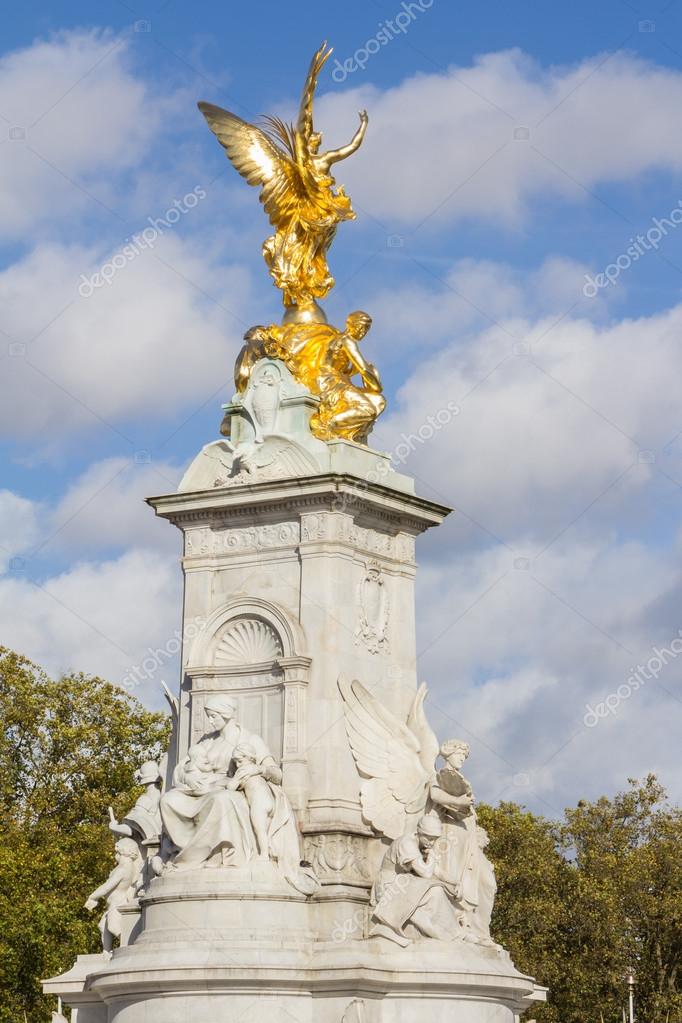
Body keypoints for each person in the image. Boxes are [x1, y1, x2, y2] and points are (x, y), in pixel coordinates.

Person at [159, 694, 279, 869]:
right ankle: (183, 856)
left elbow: (277, 774)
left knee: (221, 799)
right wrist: (189, 776)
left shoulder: (249, 739)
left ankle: (216, 856)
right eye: (209, 716)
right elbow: (182, 768)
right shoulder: (207, 741)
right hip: (202, 788)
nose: (210, 721)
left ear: (227, 715)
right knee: (168, 800)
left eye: (213, 716)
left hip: (232, 789)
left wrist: (260, 769)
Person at [370, 815, 462, 945]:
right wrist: (432, 856)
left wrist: (456, 882)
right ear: (420, 833)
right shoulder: (406, 843)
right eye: (429, 838)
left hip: (406, 885)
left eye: (435, 839)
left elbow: (436, 871)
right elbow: (426, 873)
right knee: (434, 890)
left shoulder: (422, 845)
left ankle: (455, 933)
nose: (432, 843)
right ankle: (446, 937)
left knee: (437, 891)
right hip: (390, 888)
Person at [84, 837, 142, 954]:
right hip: (114, 903)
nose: (115, 855)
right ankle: (106, 952)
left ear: (122, 851)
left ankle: (130, 947)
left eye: (116, 852)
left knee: (113, 927)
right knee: (103, 926)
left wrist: (93, 897)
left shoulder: (123, 868)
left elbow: (107, 886)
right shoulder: (126, 867)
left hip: (118, 903)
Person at [227, 742, 275, 860]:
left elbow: (231, 787)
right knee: (263, 831)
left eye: (239, 761)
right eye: (236, 762)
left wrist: (231, 781)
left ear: (248, 758)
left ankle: (264, 855)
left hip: (259, 802)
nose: (237, 765)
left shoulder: (243, 770)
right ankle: (268, 851)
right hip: (269, 801)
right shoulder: (255, 769)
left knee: (259, 829)